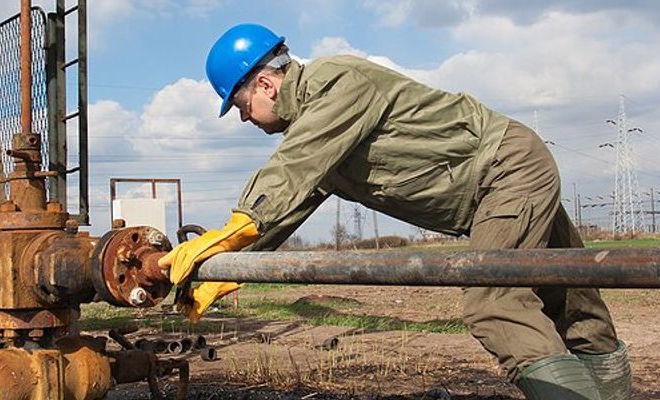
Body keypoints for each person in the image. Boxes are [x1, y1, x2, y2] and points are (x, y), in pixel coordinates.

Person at [159, 23, 631, 400]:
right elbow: (289, 203)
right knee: (570, 300)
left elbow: (291, 168)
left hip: (505, 169)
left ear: (264, 83)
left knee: (495, 302)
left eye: (241, 106)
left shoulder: (336, 83)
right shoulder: (320, 132)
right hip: (497, 184)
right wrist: (223, 271)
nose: (244, 118)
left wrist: (236, 227)